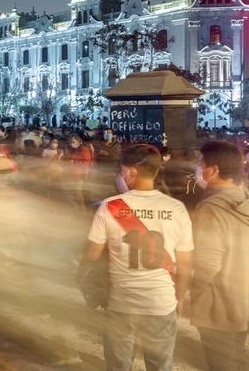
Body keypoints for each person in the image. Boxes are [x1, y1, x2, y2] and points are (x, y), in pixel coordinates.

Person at [84, 144, 193, 371]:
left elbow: (92, 255)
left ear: (131, 171)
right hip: (161, 302)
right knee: (160, 365)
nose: (120, 176)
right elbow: (185, 264)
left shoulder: (110, 207)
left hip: (121, 302)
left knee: (119, 365)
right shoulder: (177, 208)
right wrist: (180, 298)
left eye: (122, 170)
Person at [191, 141, 249, 371]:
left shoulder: (212, 209)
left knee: (220, 364)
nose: (198, 170)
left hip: (218, 305)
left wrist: (193, 292)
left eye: (200, 165)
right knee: (236, 360)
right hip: (245, 297)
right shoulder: (248, 199)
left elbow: (207, 264)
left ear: (212, 170)